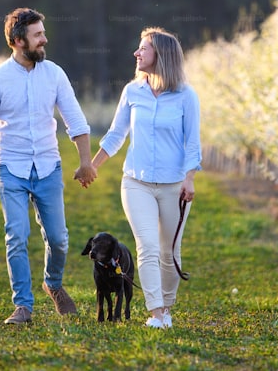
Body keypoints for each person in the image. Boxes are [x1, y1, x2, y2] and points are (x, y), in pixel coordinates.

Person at [0, 7, 97, 325]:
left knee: (59, 238)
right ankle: (23, 306)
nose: (45, 39)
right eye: (38, 35)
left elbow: (75, 119)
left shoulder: (54, 74)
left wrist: (84, 162)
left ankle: (53, 284)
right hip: (10, 167)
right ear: (17, 41)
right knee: (16, 235)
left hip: (48, 167)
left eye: (43, 33)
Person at [91, 27, 202, 329]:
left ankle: (166, 309)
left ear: (161, 55)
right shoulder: (132, 91)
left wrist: (189, 179)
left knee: (169, 251)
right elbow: (116, 135)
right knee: (148, 247)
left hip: (173, 186)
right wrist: (93, 165)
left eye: (143, 49)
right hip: (136, 183)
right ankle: (154, 312)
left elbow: (193, 144)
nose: (136, 53)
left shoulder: (185, 96)